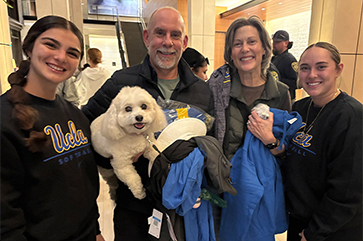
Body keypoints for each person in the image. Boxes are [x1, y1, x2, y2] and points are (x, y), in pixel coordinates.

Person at [82, 6, 213, 241]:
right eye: (160, 33)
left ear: (184, 41)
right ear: (146, 37)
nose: (167, 42)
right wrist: (112, 156)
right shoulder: (121, 83)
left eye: (175, 35)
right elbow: (85, 128)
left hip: (182, 209)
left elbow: (209, 143)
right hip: (134, 210)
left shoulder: (202, 91)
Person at [0, 15, 104, 241]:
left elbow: (84, 184)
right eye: (50, 44)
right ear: (29, 47)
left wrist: (95, 230)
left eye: (72, 53)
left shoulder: (76, 116)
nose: (60, 57)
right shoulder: (5, 120)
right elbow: (5, 216)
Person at [208, 15, 291, 240]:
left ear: (264, 48)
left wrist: (269, 141)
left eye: (252, 42)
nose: (245, 49)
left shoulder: (281, 93)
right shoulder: (215, 89)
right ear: (231, 52)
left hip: (260, 194)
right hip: (222, 192)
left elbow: (286, 153)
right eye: (238, 43)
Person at [283, 42, 363, 241]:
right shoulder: (300, 108)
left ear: (338, 69)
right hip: (299, 220)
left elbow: (348, 189)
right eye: (305, 68)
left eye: (321, 67)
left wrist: (314, 232)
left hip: (332, 229)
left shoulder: (351, 116)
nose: (312, 75)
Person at [271, 30, 298, 101]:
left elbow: (296, 82)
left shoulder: (289, 60)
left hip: (285, 99)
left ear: (286, 43)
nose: (274, 45)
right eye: (273, 41)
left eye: (277, 42)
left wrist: (276, 80)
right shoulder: (274, 59)